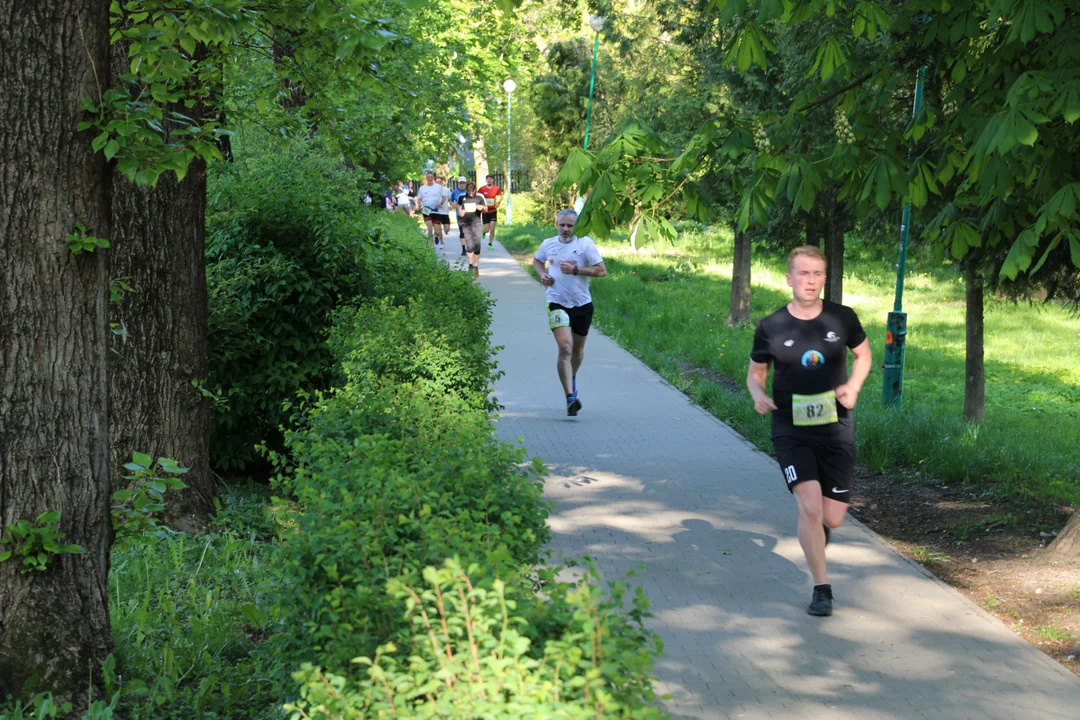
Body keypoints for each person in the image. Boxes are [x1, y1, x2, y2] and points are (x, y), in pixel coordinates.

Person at [746, 245, 872, 618]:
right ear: (789, 278)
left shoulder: (842, 318)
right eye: (804, 273)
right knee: (811, 510)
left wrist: (853, 386)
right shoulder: (771, 326)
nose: (811, 281)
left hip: (835, 427)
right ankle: (822, 589)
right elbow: (756, 372)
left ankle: (817, 535)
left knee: (832, 518)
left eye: (818, 274)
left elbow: (864, 355)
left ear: (825, 278)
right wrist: (758, 394)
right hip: (790, 427)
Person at [531, 209, 607, 416]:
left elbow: (601, 270)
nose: (565, 229)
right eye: (562, 225)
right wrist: (542, 275)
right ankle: (570, 397)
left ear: (576, 226)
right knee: (565, 347)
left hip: (582, 304)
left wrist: (576, 270)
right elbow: (537, 261)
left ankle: (571, 379)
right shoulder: (548, 244)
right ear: (556, 224)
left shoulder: (585, 244)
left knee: (577, 351)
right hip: (556, 302)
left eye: (570, 226)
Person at [457, 181, 485, 277]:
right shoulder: (462, 197)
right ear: (467, 191)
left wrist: (481, 207)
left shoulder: (479, 198)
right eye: (469, 192)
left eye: (472, 192)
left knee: (477, 246)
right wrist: (461, 212)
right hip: (466, 224)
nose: (471, 194)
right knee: (469, 246)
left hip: (476, 224)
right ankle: (470, 265)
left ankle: (476, 266)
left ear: (475, 190)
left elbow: (486, 209)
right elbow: (459, 208)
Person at [416, 171, 449, 247]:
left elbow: (444, 197)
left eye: (431, 177)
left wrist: (440, 204)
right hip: (426, 209)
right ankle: (432, 247)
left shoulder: (438, 187)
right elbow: (419, 199)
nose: (430, 179)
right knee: (429, 229)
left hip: (436, 210)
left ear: (433, 178)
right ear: (426, 178)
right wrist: (419, 204)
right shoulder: (422, 188)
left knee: (437, 230)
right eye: (428, 177)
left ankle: (436, 235)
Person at [477, 174, 503, 249]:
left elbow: (501, 196)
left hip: (493, 211)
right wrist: (480, 205)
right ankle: (484, 232)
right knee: (486, 229)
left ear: (493, 180)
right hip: (485, 211)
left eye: (491, 178)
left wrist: (498, 203)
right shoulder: (482, 189)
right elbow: (477, 197)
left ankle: (490, 244)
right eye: (487, 178)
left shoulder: (496, 188)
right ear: (486, 180)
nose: (489, 180)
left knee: (492, 228)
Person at [450, 176, 469, 256]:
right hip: (459, 214)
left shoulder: (469, 191)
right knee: (462, 231)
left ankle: (470, 247)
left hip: (469, 213)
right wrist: (457, 206)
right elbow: (451, 201)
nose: (462, 185)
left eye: (463, 183)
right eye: (460, 183)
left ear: (466, 184)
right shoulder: (455, 192)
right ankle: (464, 248)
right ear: (458, 183)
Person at [434, 175, 454, 249]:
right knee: (438, 229)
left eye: (440, 181)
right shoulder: (433, 190)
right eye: (437, 182)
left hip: (445, 212)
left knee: (447, 229)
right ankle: (441, 243)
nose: (438, 183)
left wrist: (452, 206)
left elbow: (450, 199)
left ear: (442, 182)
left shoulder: (446, 190)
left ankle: (436, 234)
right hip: (436, 212)